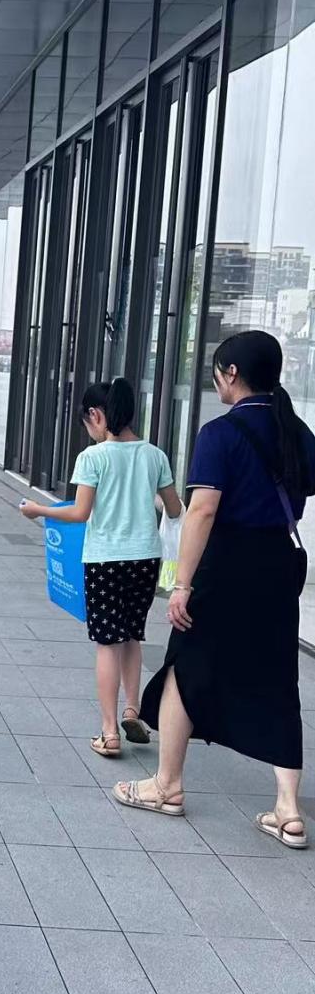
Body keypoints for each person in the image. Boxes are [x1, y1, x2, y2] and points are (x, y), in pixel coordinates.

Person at [114, 331, 315, 844]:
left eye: (217, 372)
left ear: (231, 374)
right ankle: (289, 809)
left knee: (185, 663)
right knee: (278, 675)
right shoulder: (295, 429)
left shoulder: (220, 434)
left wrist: (181, 583)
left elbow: (202, 510)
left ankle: (167, 785)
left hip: (226, 564)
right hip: (277, 563)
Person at [20, 378, 182, 757]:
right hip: (145, 559)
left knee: (107, 643)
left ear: (95, 415)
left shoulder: (93, 458)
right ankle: (132, 711)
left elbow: (80, 512)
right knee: (132, 636)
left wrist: (38, 510)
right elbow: (174, 508)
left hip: (105, 559)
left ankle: (109, 732)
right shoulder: (154, 455)